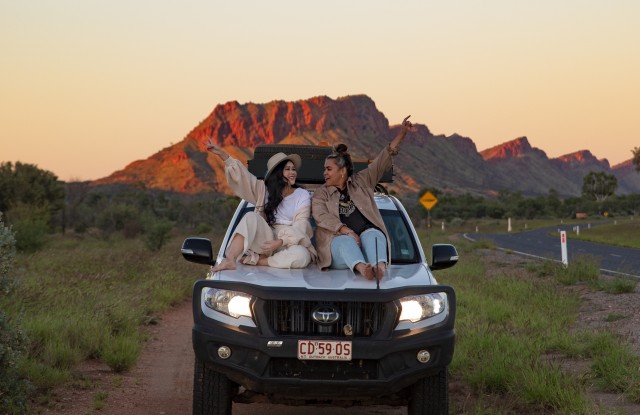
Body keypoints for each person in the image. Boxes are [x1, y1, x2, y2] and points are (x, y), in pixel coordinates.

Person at [312, 116, 415, 280]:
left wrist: (401, 134)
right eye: (325, 169)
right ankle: (363, 269)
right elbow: (320, 216)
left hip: (367, 237)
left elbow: (383, 159)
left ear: (342, 170)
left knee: (374, 234)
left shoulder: (362, 181)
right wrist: (347, 231)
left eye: (329, 169)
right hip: (337, 244)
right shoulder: (321, 194)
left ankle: (379, 267)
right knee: (346, 242)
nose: (325, 173)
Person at [205, 139, 317, 271]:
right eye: (287, 169)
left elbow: (301, 225)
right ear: (278, 173)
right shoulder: (263, 190)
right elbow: (244, 177)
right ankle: (230, 259)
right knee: (250, 217)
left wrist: (281, 241)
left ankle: (262, 262)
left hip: (291, 242)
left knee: (301, 255)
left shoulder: (302, 195)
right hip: (266, 239)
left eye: (293, 169)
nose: (292, 172)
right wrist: (223, 155)